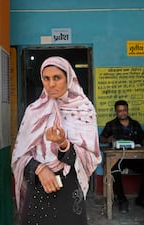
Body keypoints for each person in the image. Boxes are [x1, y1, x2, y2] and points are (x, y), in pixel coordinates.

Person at [11, 56, 102, 225]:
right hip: (39, 186)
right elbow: (19, 156)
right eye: (46, 78)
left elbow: (90, 157)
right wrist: (39, 169)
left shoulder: (83, 109)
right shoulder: (34, 111)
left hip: (68, 190)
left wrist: (63, 143)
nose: (51, 84)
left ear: (68, 78)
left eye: (57, 78)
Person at [99, 100, 144, 213]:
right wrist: (107, 139)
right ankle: (122, 200)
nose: (122, 113)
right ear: (116, 112)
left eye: (124, 110)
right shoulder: (111, 125)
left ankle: (142, 199)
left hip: (133, 158)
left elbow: (142, 139)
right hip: (118, 159)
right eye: (119, 111)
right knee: (114, 172)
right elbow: (101, 139)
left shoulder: (135, 124)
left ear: (127, 110)